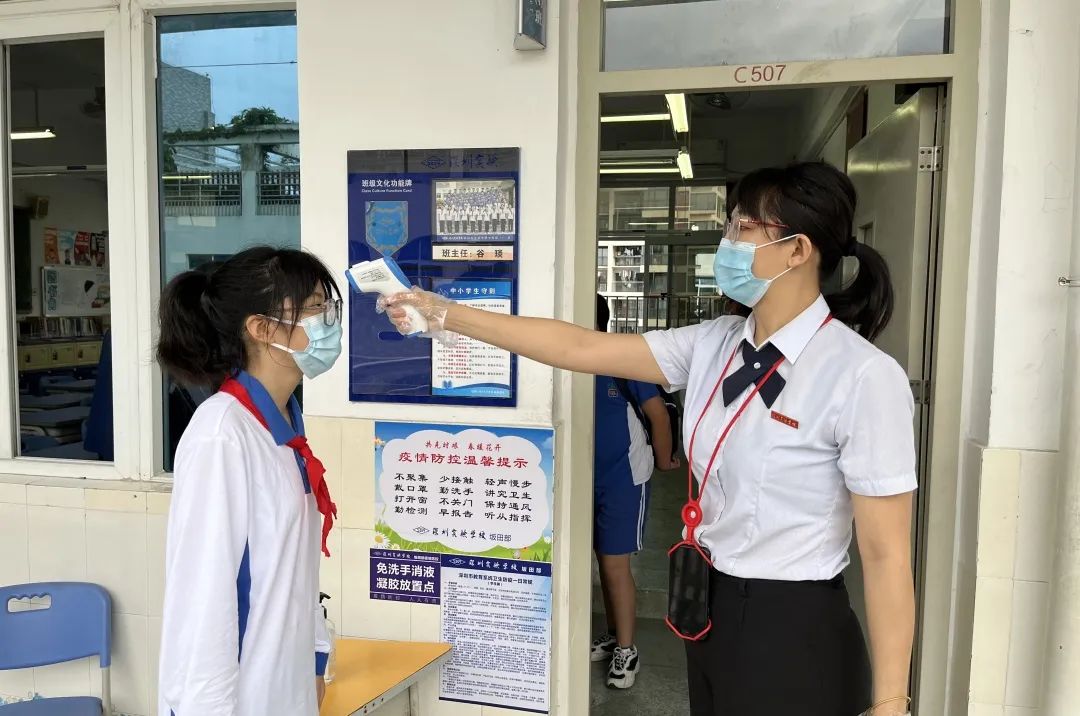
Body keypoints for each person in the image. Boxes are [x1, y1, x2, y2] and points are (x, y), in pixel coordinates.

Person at [384, 162, 916, 716]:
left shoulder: (861, 376)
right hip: (708, 606)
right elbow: (580, 348)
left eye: (742, 228)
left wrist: (891, 702)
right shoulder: (716, 343)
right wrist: (443, 314)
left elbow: (885, 557)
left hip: (794, 626)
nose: (727, 242)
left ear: (797, 250)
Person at [155, 246, 341, 716]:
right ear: (261, 328)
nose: (329, 321)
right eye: (315, 308)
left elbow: (290, 569)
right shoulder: (222, 433)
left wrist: (315, 658)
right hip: (236, 701)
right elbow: (203, 594)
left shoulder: (283, 422)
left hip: (285, 689)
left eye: (328, 306)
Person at [591, 294, 680, 689]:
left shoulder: (621, 359)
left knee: (614, 563)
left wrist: (664, 460)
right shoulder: (566, 359)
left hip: (624, 478)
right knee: (601, 559)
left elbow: (658, 415)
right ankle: (614, 635)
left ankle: (627, 649)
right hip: (585, 476)